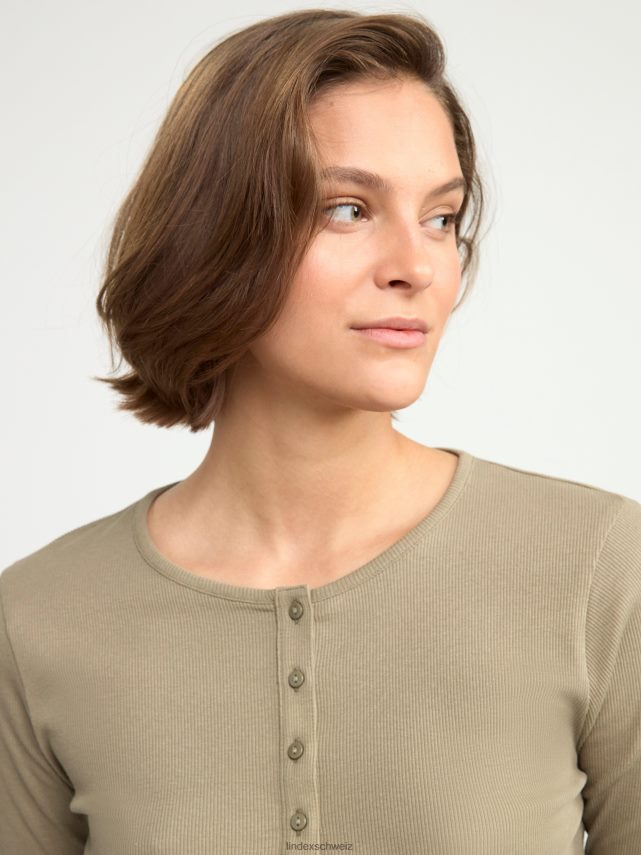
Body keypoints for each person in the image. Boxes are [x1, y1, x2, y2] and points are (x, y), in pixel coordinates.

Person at [1, 8, 639, 854]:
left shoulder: (597, 570)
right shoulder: (39, 619)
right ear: (212, 237)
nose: (414, 266)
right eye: (347, 209)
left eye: (440, 218)